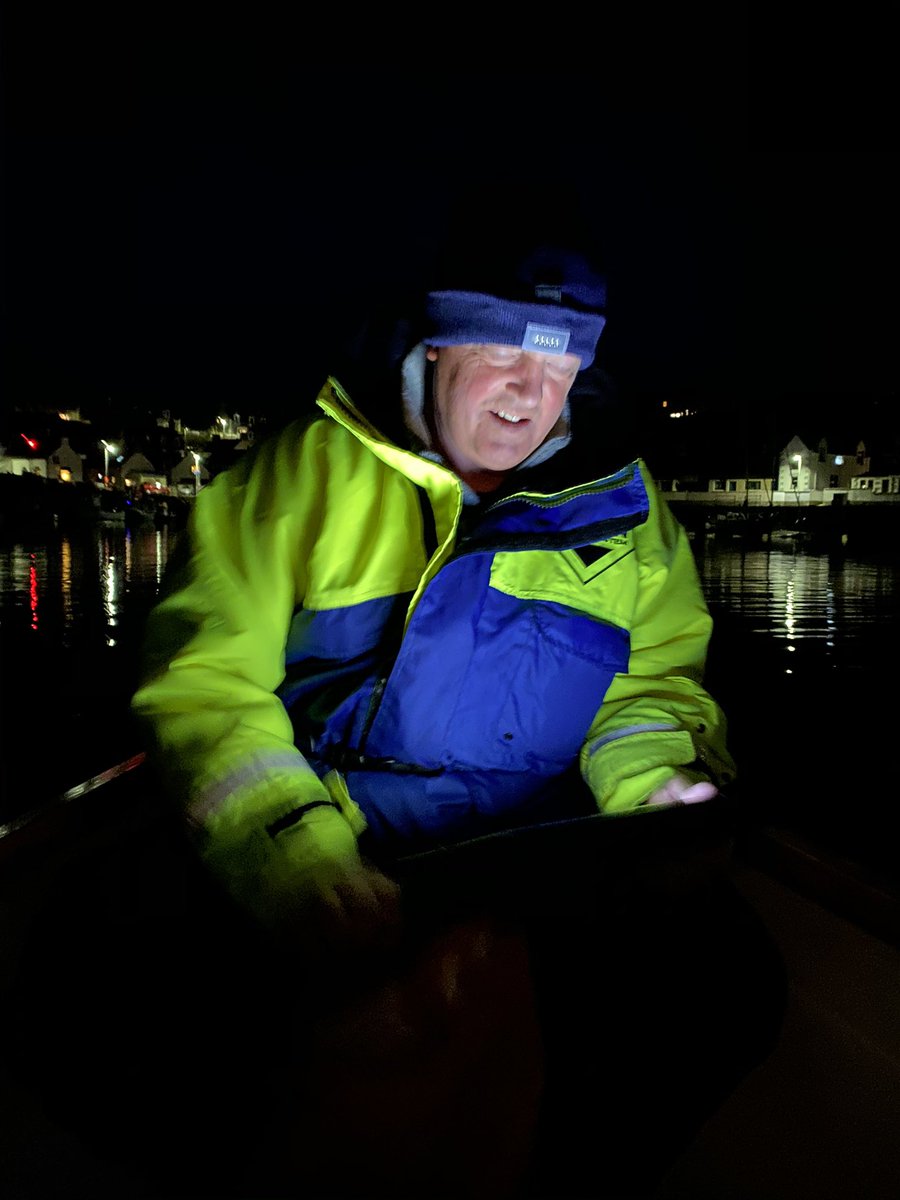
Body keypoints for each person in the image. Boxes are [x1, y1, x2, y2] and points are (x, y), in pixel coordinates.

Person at [123, 239, 785, 1197]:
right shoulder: (293, 479)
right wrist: (290, 854)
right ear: (436, 345)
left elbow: (650, 692)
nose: (533, 391)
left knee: (734, 985)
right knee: (152, 1014)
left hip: (540, 866)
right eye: (506, 353)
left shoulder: (630, 515)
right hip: (339, 857)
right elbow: (204, 688)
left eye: (563, 367)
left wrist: (658, 794)